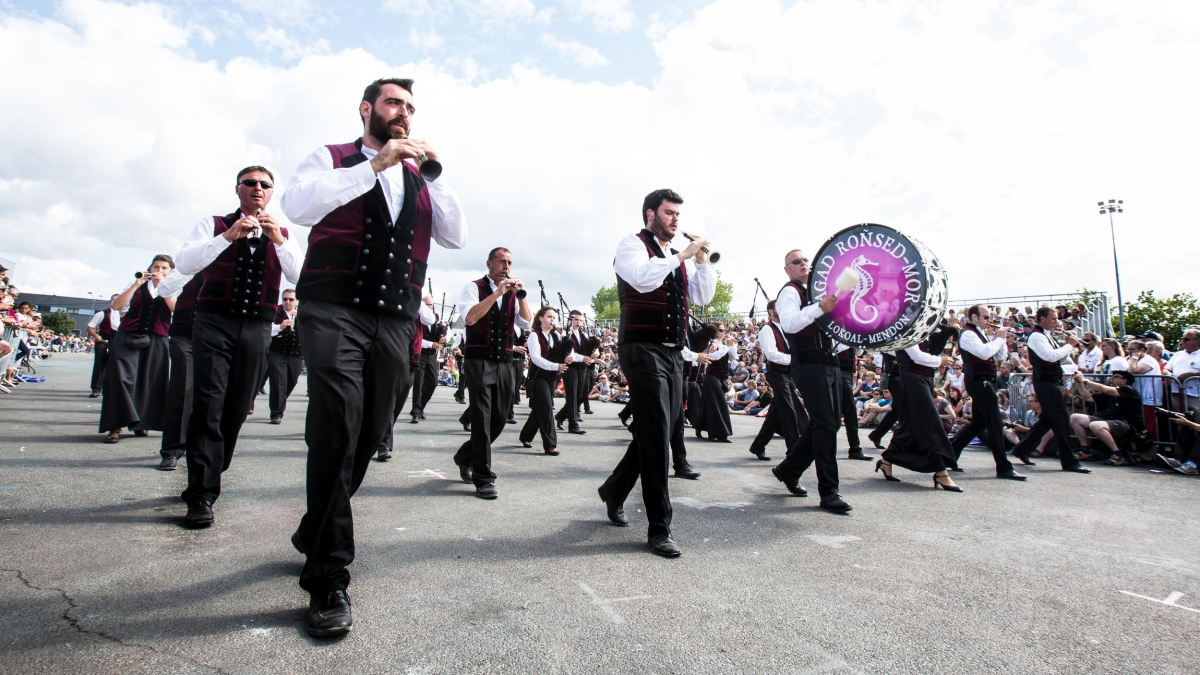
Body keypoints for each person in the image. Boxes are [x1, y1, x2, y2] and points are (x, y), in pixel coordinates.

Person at [280, 77, 467, 637]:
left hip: (395, 316)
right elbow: (297, 206)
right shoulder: (332, 158)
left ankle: (315, 526)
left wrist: (434, 167)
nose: (402, 112)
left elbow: (456, 236)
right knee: (336, 426)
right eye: (393, 103)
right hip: (333, 306)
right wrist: (377, 164)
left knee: (371, 428)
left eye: (410, 107)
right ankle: (328, 576)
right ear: (367, 109)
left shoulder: (421, 176)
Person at [173, 166, 303, 528]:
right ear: (238, 189)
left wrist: (278, 240)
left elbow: (300, 276)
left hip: (257, 326)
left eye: (264, 185)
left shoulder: (283, 233)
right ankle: (201, 492)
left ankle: (213, 465)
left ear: (271, 193)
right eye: (251, 183)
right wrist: (228, 236)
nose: (257, 188)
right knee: (209, 402)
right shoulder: (213, 224)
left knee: (237, 407)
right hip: (214, 321)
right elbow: (185, 262)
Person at [598, 188, 715, 558]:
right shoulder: (632, 245)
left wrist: (702, 262)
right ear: (651, 214)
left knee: (657, 430)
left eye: (678, 214)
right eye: (669, 213)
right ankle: (659, 528)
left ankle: (614, 490)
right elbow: (641, 279)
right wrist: (681, 254)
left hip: (670, 353)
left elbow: (702, 297)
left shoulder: (677, 259)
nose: (675, 219)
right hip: (640, 348)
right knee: (657, 432)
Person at [769, 249, 852, 514]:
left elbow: (832, 330)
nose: (804, 264)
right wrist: (820, 307)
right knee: (827, 425)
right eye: (797, 261)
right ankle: (829, 491)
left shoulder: (818, 293)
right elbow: (791, 324)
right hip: (808, 365)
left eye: (806, 260)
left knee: (822, 424)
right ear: (788, 269)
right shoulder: (790, 292)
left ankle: (789, 470)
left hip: (829, 364)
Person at [452, 247, 532, 498]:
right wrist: (496, 293)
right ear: (490, 264)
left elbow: (526, 322)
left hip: (505, 362)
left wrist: (520, 296)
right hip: (479, 361)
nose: (506, 266)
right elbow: (470, 318)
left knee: (499, 417)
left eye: (510, 262)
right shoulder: (473, 287)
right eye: (502, 261)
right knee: (482, 419)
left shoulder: (513, 293)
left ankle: (465, 456)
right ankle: (483, 476)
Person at [98, 255, 179, 443]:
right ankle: (115, 426)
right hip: (128, 336)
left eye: (164, 268)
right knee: (120, 379)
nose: (159, 270)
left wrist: (162, 287)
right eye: (156, 266)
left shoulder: (174, 287)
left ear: (170, 272)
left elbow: (175, 309)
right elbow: (117, 306)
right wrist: (136, 284)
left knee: (150, 381)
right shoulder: (137, 284)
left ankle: (142, 423)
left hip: (157, 337)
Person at [876, 326, 964, 491]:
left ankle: (887, 459)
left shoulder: (922, 328)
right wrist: (941, 361)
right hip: (912, 378)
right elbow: (916, 356)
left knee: (910, 424)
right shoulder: (903, 327)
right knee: (930, 423)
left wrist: (944, 334)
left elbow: (929, 352)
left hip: (924, 378)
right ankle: (941, 472)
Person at [949, 304, 1026, 480]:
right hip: (978, 381)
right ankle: (1003, 467)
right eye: (985, 317)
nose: (989, 320)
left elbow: (998, 357)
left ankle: (950, 454)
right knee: (995, 422)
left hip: (985, 381)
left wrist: (1003, 340)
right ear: (974, 317)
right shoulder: (968, 334)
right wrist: (998, 339)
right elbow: (984, 353)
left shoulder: (981, 333)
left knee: (979, 423)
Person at [1011, 307, 1091, 473]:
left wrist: (1070, 353)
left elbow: (1058, 358)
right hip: (1045, 382)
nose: (1056, 322)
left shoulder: (1046, 336)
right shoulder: (1037, 336)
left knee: (1047, 420)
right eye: (1053, 318)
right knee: (1060, 420)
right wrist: (1069, 345)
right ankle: (1068, 461)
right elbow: (1050, 357)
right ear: (1042, 319)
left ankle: (1021, 449)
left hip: (1050, 380)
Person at [747, 301, 807, 461]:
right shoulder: (767, 329)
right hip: (777, 374)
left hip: (787, 373)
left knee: (776, 411)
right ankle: (794, 450)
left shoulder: (785, 327)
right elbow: (772, 354)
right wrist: (794, 358)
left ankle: (758, 446)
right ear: (771, 311)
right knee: (788, 410)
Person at [156, 270, 202, 470]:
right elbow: (166, 290)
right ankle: (172, 449)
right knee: (182, 389)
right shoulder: (188, 263)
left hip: (219, 335)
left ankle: (205, 450)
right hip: (185, 334)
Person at [519, 306, 573, 455]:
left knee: (540, 409)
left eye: (553, 318)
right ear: (541, 318)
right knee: (547, 408)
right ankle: (550, 444)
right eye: (549, 317)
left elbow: (568, 351)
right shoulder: (534, 335)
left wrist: (569, 357)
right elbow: (536, 359)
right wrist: (555, 365)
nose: (552, 320)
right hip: (538, 377)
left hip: (552, 377)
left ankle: (525, 436)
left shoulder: (556, 336)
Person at [1068, 371, 1143, 461]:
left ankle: (1118, 455)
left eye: (1116, 376)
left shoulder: (1129, 390)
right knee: (1075, 418)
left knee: (1095, 425)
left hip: (1125, 423)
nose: (1112, 378)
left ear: (1124, 381)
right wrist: (1078, 383)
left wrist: (1084, 381)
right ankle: (1086, 451)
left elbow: (1105, 389)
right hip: (1106, 420)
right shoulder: (1112, 392)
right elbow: (1087, 397)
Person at [267, 290, 303, 424]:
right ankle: (276, 413)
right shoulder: (275, 312)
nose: (287, 302)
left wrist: (300, 320)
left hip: (295, 354)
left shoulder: (302, 313)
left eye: (291, 299)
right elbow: (266, 329)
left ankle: (279, 401)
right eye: (285, 299)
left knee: (292, 381)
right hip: (277, 353)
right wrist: (280, 327)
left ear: (296, 301)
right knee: (277, 382)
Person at [554, 310, 592, 435]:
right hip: (570, 368)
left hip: (582, 367)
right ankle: (573, 424)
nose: (579, 322)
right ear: (571, 320)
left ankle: (560, 416)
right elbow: (567, 352)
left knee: (581, 396)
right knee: (572, 396)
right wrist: (582, 358)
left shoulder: (583, 333)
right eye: (576, 319)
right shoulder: (565, 333)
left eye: (580, 320)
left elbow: (589, 347)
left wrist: (594, 353)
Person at [695, 327, 734, 442]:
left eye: (724, 330)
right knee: (719, 405)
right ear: (715, 332)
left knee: (710, 405)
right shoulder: (711, 344)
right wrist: (726, 346)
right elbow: (714, 357)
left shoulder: (722, 344)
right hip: (712, 377)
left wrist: (731, 345)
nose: (723, 332)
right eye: (721, 330)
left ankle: (700, 425)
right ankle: (722, 434)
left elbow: (733, 356)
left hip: (720, 378)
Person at [409, 295, 443, 424]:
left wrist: (443, 338)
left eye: (431, 305)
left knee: (433, 382)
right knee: (419, 382)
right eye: (427, 304)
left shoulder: (436, 318)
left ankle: (420, 406)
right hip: (421, 354)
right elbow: (415, 338)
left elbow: (447, 331)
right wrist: (430, 344)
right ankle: (416, 412)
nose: (429, 307)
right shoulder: (417, 318)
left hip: (432, 355)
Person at [835, 343, 872, 461]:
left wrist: (857, 339)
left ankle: (854, 448)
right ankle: (855, 448)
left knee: (843, 411)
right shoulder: (834, 329)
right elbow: (834, 348)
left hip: (847, 372)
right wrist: (848, 339)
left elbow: (858, 353)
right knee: (849, 410)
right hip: (838, 370)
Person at [85, 294, 120, 398]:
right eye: (114, 300)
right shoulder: (102, 314)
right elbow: (90, 327)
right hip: (103, 341)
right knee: (100, 365)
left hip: (117, 342)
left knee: (115, 366)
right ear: (110, 301)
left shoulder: (124, 315)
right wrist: (96, 335)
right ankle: (96, 389)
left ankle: (110, 388)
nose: (116, 301)